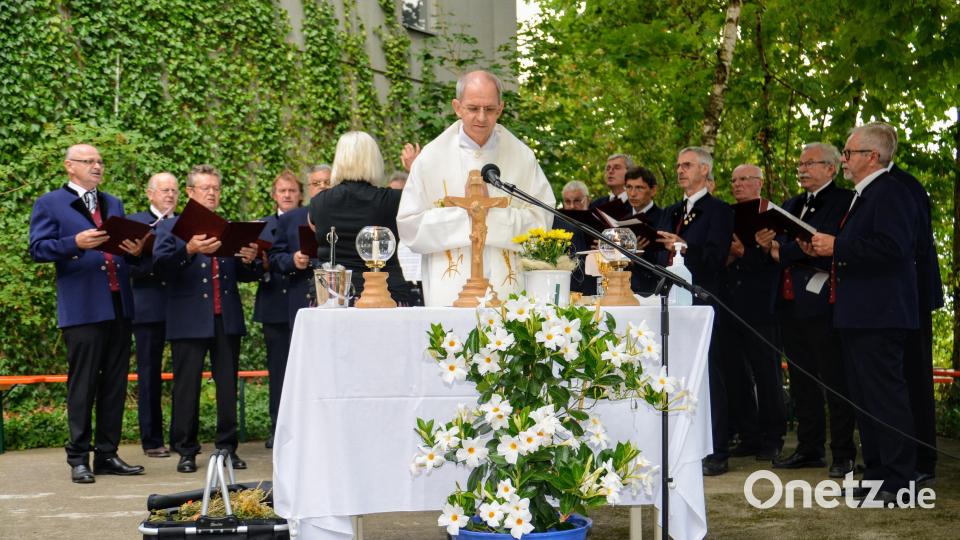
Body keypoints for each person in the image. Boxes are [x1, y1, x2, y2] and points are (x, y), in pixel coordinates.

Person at [808, 124, 918, 500]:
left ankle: (899, 478)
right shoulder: (864, 195)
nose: (844, 159)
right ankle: (876, 474)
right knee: (865, 399)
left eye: (849, 153)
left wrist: (838, 246)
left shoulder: (891, 193)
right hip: (858, 314)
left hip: (880, 314)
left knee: (885, 397)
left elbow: (894, 248)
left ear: (872, 157)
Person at [29, 143, 145, 483]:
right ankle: (78, 457)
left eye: (99, 161)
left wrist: (136, 252)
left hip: (119, 305)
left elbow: (124, 253)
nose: (97, 166)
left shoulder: (114, 203)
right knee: (83, 384)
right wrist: (74, 243)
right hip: (82, 308)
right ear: (70, 166)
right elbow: (37, 248)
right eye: (88, 161)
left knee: (115, 383)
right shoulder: (49, 203)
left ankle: (107, 454)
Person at [397, 70, 554, 306]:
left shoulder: (522, 157)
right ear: (457, 107)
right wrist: (468, 219)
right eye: (473, 108)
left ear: (500, 109)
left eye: (490, 109)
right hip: (449, 288)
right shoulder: (430, 159)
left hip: (507, 287)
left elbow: (542, 218)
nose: (481, 117)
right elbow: (409, 226)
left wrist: (490, 219)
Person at [153, 164, 263, 473]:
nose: (212, 192)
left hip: (225, 317)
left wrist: (251, 261)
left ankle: (227, 447)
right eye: (206, 188)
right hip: (188, 318)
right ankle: (186, 450)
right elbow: (160, 269)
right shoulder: (169, 228)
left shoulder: (228, 228)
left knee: (227, 387)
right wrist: (188, 248)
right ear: (190, 193)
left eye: (216, 187)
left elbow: (243, 274)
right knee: (186, 388)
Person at [756, 143, 857, 477]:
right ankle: (809, 447)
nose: (801, 169)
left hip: (824, 304)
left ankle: (842, 453)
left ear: (831, 168)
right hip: (789, 302)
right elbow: (782, 248)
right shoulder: (792, 204)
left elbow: (828, 247)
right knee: (801, 380)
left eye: (809, 163)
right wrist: (775, 248)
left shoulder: (844, 201)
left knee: (835, 380)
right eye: (799, 164)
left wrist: (787, 251)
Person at [871, 122, 943, 487]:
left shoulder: (901, 187)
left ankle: (922, 459)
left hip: (908, 298)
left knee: (913, 378)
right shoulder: (885, 186)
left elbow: (908, 248)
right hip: (896, 299)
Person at [656, 146, 734, 476]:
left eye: (687, 165)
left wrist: (683, 247)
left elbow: (716, 258)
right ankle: (679, 441)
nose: (680, 170)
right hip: (671, 300)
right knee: (677, 371)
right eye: (677, 165)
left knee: (711, 373)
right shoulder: (672, 210)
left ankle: (716, 448)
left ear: (704, 170)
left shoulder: (720, 211)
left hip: (704, 300)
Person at [717, 164, 786, 462]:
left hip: (762, 306)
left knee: (767, 374)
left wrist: (746, 253)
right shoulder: (725, 215)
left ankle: (774, 437)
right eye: (733, 180)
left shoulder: (775, 217)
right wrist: (730, 255)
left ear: (759, 183)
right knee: (735, 372)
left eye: (744, 179)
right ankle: (749, 434)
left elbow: (779, 260)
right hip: (729, 303)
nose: (737, 185)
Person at [310, 131, 413, 305]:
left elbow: (314, 227)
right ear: (374, 160)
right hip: (386, 293)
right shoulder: (391, 200)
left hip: (333, 295)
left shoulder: (318, 202)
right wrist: (414, 170)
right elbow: (424, 201)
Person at [127, 172, 180, 459]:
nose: (170, 195)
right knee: (149, 374)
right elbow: (128, 268)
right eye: (163, 190)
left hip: (180, 306)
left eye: (174, 190)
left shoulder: (186, 223)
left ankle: (183, 438)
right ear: (150, 194)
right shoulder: (134, 223)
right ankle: (152, 439)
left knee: (185, 374)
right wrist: (147, 261)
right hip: (147, 308)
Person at [253, 171, 301, 449]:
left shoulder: (310, 220)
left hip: (302, 305)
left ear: (299, 195)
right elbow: (253, 267)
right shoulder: (263, 225)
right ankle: (276, 426)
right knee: (277, 371)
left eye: (292, 191)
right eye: (282, 191)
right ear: (274, 195)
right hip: (274, 305)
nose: (286, 195)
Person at [624, 166, 664, 296]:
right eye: (629, 187)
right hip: (623, 288)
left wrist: (640, 254)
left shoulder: (664, 217)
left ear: (653, 190)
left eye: (639, 188)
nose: (632, 193)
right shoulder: (620, 220)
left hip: (653, 290)